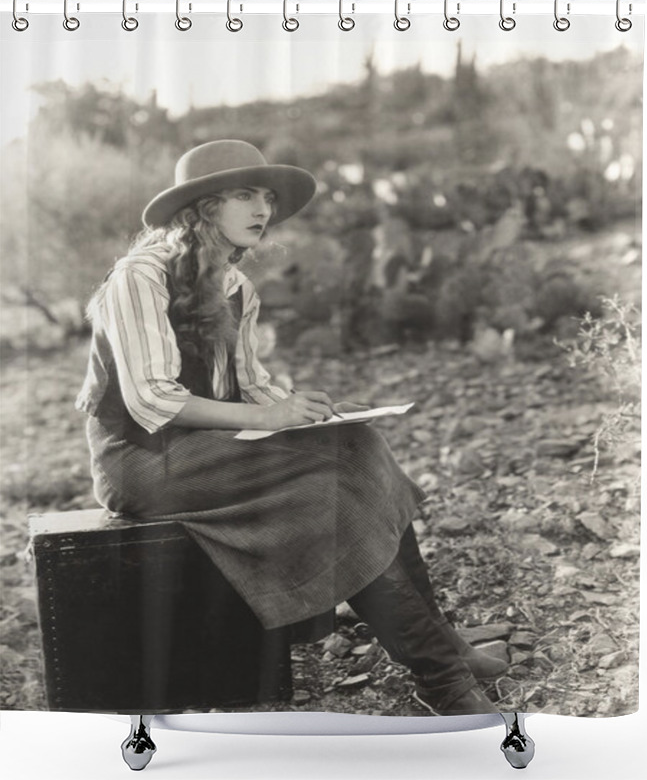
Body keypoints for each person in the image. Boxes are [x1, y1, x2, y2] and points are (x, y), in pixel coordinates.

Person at [75, 140, 508, 716]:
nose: (262, 209)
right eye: (243, 195)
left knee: (359, 448)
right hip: (145, 460)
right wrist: (266, 418)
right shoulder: (139, 278)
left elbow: (251, 384)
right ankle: (443, 679)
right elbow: (152, 398)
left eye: (266, 197)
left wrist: (307, 410)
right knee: (330, 496)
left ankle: (445, 649)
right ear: (203, 207)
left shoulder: (235, 285)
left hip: (212, 445)